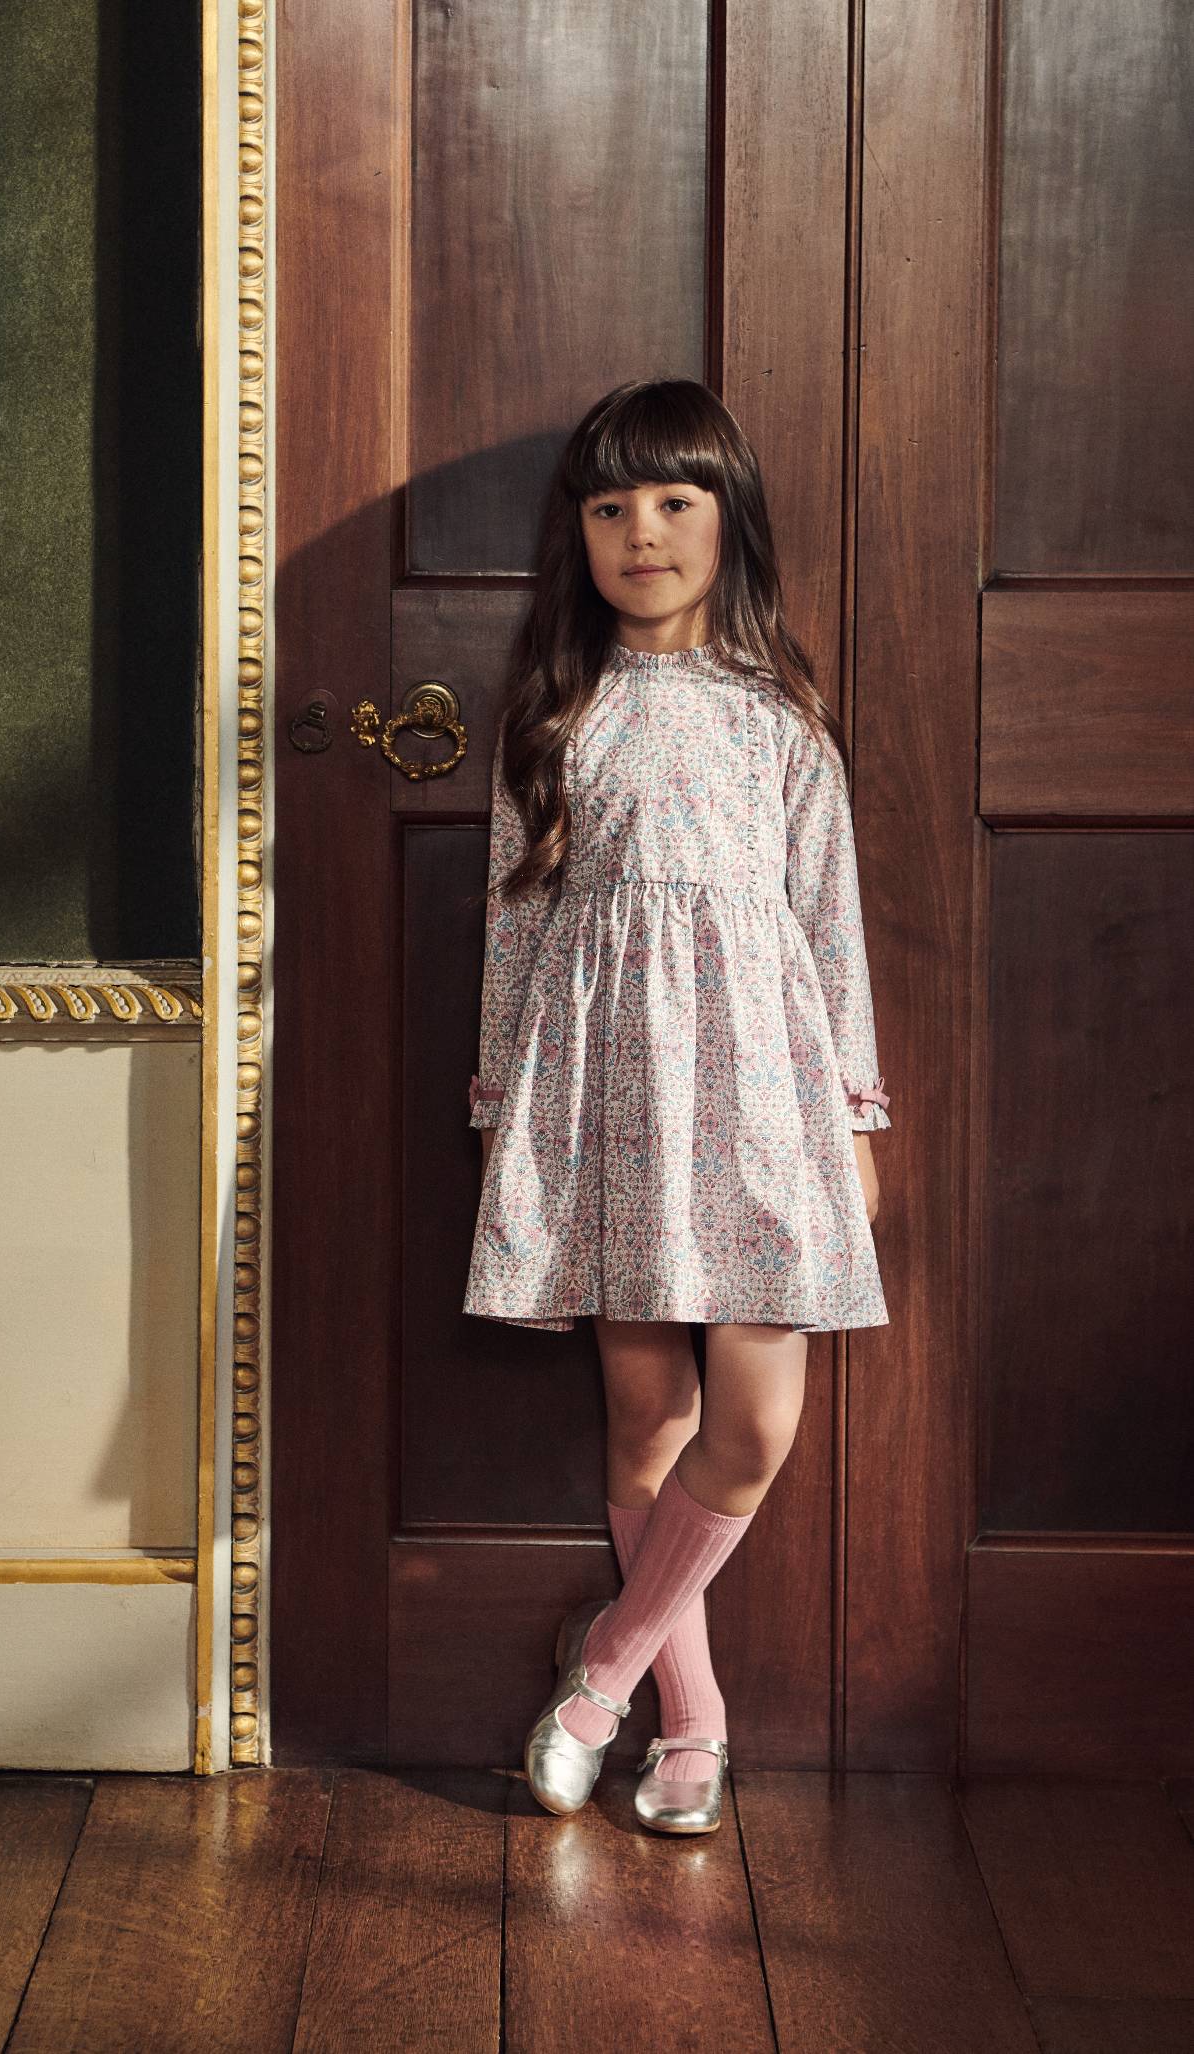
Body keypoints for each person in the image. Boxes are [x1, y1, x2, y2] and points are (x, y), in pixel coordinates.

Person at [462, 377, 892, 1835]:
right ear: (577, 535)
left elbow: (830, 926)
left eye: (671, 501)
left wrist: (859, 1116)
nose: (639, 532)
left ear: (727, 522)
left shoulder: (783, 718)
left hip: (766, 1095)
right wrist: (504, 1113)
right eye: (608, 507)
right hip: (606, 1094)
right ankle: (692, 1726)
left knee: (754, 1419)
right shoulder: (554, 717)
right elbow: (513, 937)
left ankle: (602, 1671)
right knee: (646, 1409)